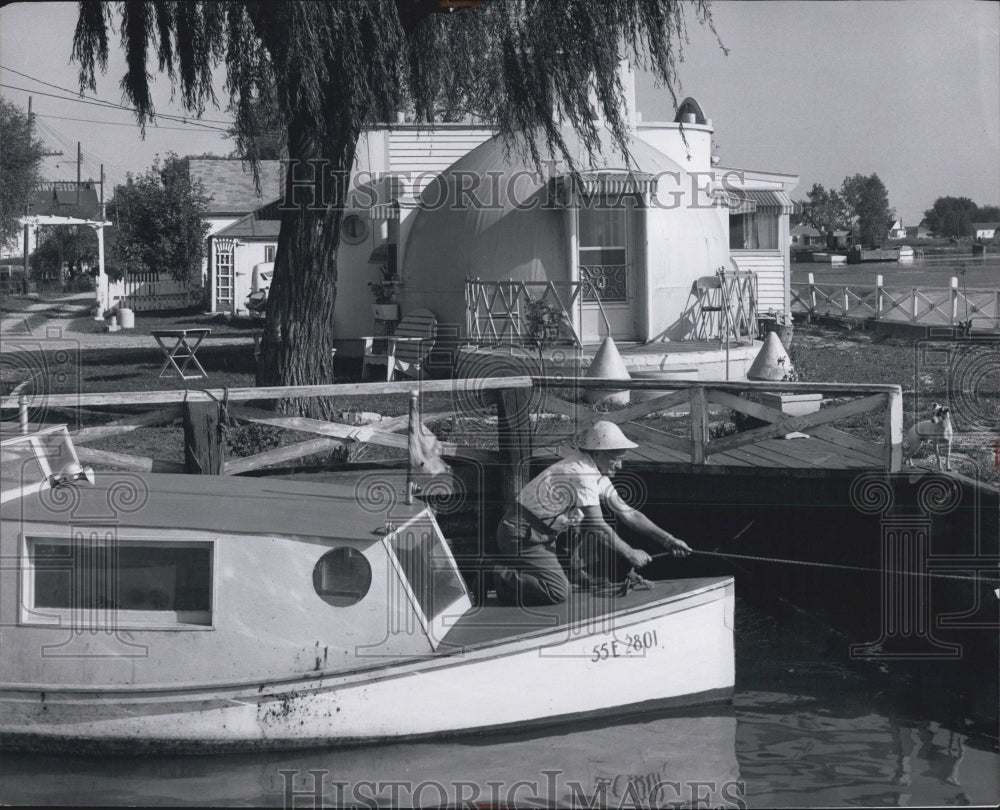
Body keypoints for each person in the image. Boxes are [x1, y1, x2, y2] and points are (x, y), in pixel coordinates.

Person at [492, 421, 692, 606]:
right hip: (521, 535)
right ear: (597, 454)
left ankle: (575, 573)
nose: (620, 465)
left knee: (581, 520)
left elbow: (629, 514)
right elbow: (598, 525)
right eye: (616, 459)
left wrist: (668, 540)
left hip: (546, 532)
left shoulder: (596, 471)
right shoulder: (582, 473)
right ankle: (494, 575)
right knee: (558, 592)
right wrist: (630, 553)